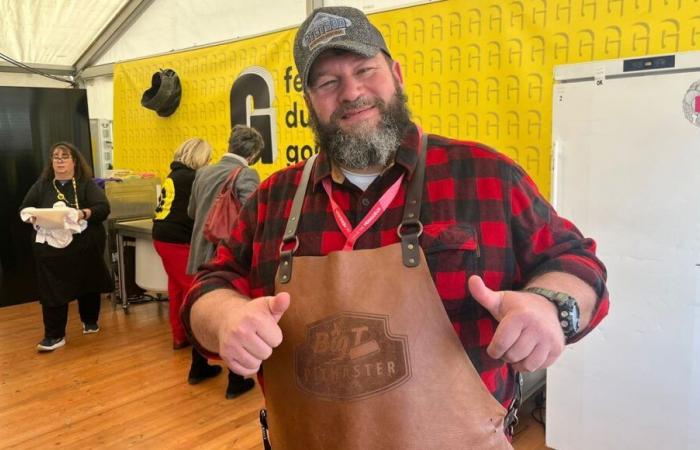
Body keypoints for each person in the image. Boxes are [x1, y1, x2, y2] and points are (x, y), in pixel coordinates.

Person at [182, 6, 610, 449]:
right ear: (310, 101)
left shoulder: (485, 175)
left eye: (365, 69)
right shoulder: (274, 199)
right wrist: (226, 316)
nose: (352, 92)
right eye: (328, 82)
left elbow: (574, 260)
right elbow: (208, 285)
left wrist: (549, 307)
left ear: (397, 74)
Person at [185, 125, 263, 398]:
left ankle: (198, 367)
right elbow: (254, 216)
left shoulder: (203, 172)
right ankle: (236, 380)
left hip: (199, 251)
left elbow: (192, 211)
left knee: (203, 305)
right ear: (253, 153)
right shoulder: (247, 174)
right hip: (227, 253)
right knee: (234, 313)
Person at [20, 142, 112, 352]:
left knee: (88, 282)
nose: (59, 160)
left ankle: (89, 320)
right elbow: (24, 208)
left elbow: (103, 208)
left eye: (64, 156)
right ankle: (54, 335)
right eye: (55, 157)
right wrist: (32, 216)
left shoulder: (86, 184)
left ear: (75, 161)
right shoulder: (42, 185)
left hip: (83, 246)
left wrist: (82, 213)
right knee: (52, 290)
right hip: (51, 249)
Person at [152, 138, 213, 351]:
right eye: (207, 159)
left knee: (177, 288)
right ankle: (200, 343)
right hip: (178, 240)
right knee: (193, 290)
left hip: (162, 237)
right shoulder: (192, 177)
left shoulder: (175, 174)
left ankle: (180, 336)